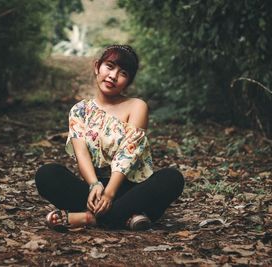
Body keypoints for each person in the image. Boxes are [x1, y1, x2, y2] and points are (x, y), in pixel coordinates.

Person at [35, 44, 184, 231]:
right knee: (47, 174)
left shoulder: (137, 106)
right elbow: (81, 154)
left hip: (131, 189)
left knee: (172, 178)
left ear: (128, 82)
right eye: (110, 66)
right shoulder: (80, 110)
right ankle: (126, 216)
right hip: (94, 191)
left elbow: (127, 155)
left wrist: (110, 194)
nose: (113, 76)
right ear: (97, 66)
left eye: (123, 73)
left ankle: (89, 218)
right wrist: (94, 185)